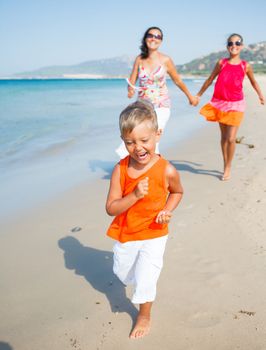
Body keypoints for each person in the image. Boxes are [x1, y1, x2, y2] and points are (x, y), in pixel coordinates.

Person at [106, 100, 183, 339]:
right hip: (127, 232)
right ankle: (137, 282)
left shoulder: (167, 169)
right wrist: (135, 195)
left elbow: (177, 192)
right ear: (123, 140)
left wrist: (167, 210)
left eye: (144, 140)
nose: (137, 147)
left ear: (157, 135)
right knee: (123, 272)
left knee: (146, 276)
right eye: (130, 142)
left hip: (155, 232)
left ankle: (144, 314)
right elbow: (111, 207)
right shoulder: (120, 169)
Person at [116, 26, 199, 158]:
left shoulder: (166, 60)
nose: (154, 38)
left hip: (161, 104)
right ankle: (137, 169)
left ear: (161, 41)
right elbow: (132, 81)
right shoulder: (139, 59)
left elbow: (178, 81)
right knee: (137, 137)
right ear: (145, 38)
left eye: (157, 36)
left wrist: (190, 97)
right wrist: (130, 90)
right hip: (142, 106)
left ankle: (155, 170)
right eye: (151, 35)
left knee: (153, 138)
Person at [196, 33, 265, 181]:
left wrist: (261, 95)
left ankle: (228, 167)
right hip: (220, 103)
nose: (234, 46)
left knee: (231, 138)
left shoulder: (245, 65)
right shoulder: (222, 63)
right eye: (230, 43)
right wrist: (199, 94)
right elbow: (210, 79)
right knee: (224, 137)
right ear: (227, 46)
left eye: (237, 43)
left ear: (242, 46)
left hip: (237, 104)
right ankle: (224, 163)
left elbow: (253, 82)